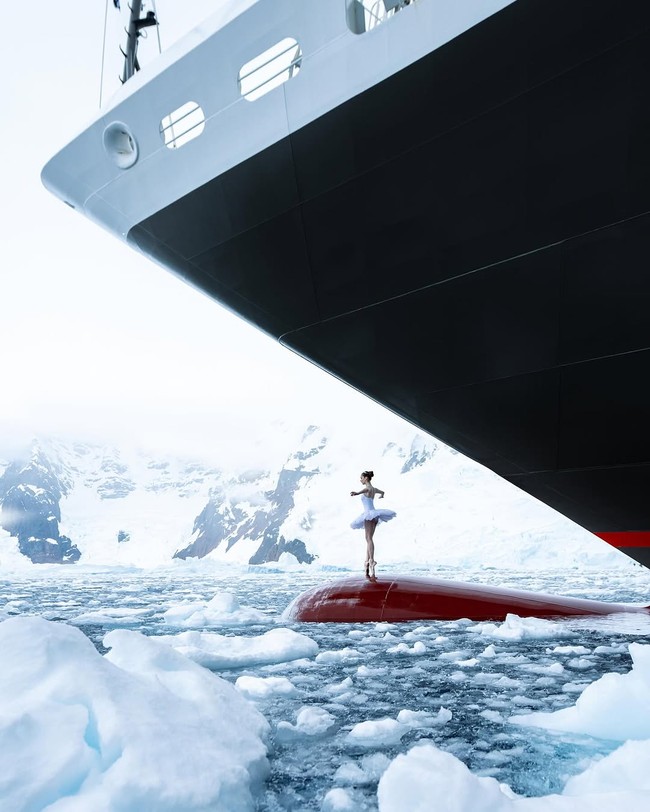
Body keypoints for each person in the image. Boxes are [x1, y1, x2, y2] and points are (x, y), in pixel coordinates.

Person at [350, 470, 396, 577]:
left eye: (361, 478)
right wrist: (382, 495)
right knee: (368, 539)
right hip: (374, 515)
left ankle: (371, 560)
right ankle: (367, 561)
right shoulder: (374, 489)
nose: (360, 480)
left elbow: (366, 489)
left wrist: (357, 493)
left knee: (369, 539)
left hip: (369, 515)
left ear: (366, 478)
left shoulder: (369, 488)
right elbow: (382, 492)